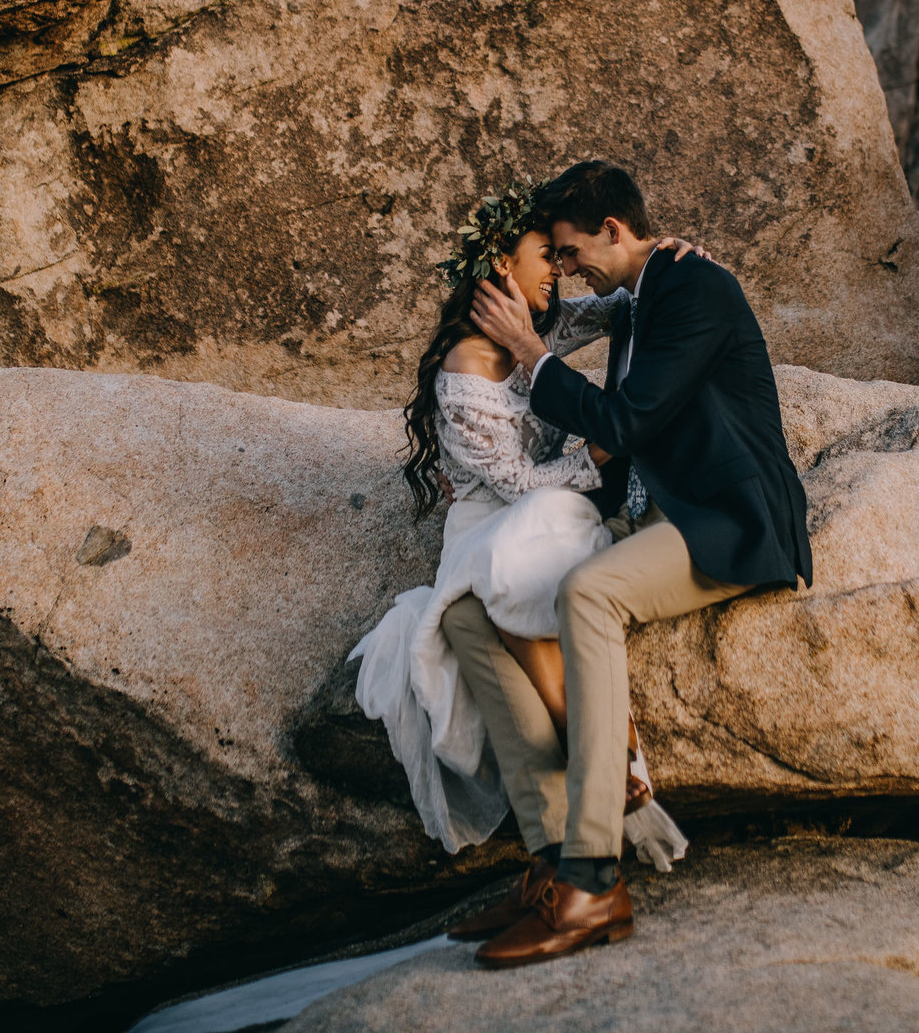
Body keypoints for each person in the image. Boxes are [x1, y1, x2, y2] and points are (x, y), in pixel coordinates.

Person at [451, 159, 810, 969]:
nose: (569, 268)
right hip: (650, 510)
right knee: (468, 611)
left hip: (729, 520)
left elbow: (628, 416)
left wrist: (528, 350)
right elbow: (617, 403)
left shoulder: (696, 288)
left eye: (573, 251)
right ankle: (548, 861)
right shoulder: (648, 293)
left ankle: (593, 874)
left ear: (614, 229)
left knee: (589, 594)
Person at [347, 181, 699, 874]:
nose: (561, 271)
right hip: (502, 516)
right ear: (503, 267)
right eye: (548, 256)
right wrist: (596, 450)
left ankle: (572, 838)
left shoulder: (538, 323)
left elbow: (621, 295)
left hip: (545, 515)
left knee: (490, 600)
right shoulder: (463, 377)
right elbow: (517, 485)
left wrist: (671, 255)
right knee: (488, 589)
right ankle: (596, 776)